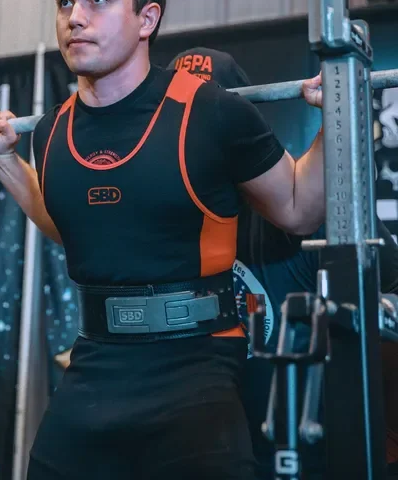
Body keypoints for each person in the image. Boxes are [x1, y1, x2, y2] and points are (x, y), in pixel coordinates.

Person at [0, 0, 325, 480]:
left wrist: (337, 117)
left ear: (147, 19)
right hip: (94, 369)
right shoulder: (51, 131)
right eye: (65, 1)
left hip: (196, 373)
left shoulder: (210, 111)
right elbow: (75, 232)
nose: (75, 17)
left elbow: (301, 209)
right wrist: (5, 164)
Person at [168, 45, 398, 479]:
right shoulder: (163, 222)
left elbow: (392, 293)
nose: (192, 135)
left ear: (242, 123)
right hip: (208, 455)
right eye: (179, 121)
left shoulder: (305, 208)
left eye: (207, 117)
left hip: (315, 457)